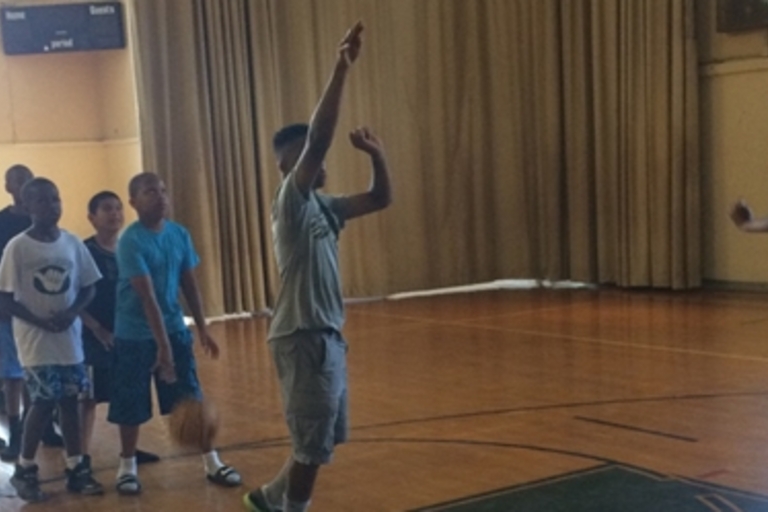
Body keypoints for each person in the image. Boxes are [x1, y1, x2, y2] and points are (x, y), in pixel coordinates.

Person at [244, 20, 393, 512]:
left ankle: (269, 498)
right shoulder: (290, 201)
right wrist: (340, 67)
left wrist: (378, 155)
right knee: (312, 445)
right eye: (306, 153)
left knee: (319, 439)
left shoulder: (326, 208)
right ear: (289, 163)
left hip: (326, 334)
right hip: (302, 334)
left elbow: (379, 198)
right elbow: (321, 139)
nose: (320, 159)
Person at [107, 172, 241, 495]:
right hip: (135, 335)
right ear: (134, 202)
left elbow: (189, 283)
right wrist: (162, 348)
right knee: (131, 402)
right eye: (151, 192)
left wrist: (203, 328)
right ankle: (127, 467)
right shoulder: (131, 241)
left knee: (190, 397)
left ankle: (212, 462)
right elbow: (147, 296)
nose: (161, 196)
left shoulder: (179, 234)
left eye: (163, 190)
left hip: (174, 330)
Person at [0, 177, 104, 502]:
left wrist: (72, 312)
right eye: (43, 201)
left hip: (69, 339)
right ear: (28, 207)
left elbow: (89, 287)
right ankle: (25, 469)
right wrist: (38, 320)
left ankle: (76, 467)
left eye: (56, 199)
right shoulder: (18, 247)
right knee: (43, 401)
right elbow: (4, 298)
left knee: (70, 402)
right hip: (35, 340)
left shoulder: (72, 243)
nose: (52, 206)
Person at [79, 191, 160, 469]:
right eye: (106, 209)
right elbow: (73, 297)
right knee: (88, 398)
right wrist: (96, 328)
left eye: (117, 208)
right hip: (94, 335)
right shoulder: (83, 250)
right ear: (92, 217)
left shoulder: (131, 246)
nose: (114, 214)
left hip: (128, 333)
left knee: (127, 393)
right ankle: (81, 456)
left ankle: (130, 449)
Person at [0, 164, 33, 461]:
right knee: (13, 374)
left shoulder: (43, 222)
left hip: (38, 310)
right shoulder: (1, 223)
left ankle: (41, 427)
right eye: (18, 180)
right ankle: (16, 432)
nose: (24, 185)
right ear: (8, 186)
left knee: (34, 371)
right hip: (8, 309)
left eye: (28, 179)